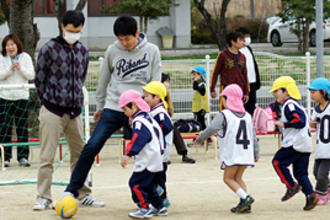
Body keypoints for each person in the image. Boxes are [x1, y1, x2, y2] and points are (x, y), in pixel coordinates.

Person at [64, 16, 162, 200]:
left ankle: (155, 194)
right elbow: (103, 81)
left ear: (137, 34)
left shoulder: (152, 51)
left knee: (152, 150)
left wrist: (150, 110)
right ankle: (72, 190)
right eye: (120, 39)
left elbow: (155, 83)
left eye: (128, 39)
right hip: (114, 107)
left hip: (140, 110)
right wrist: (100, 107)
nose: (124, 43)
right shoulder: (112, 51)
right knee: (92, 146)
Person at [33, 10, 99, 210]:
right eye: (71, 30)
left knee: (80, 154)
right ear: (63, 27)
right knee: (47, 156)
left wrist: (75, 100)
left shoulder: (83, 51)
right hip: (52, 111)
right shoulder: (49, 49)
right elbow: (39, 79)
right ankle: (43, 196)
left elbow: (82, 77)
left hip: (75, 111)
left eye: (78, 31)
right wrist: (49, 100)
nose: (74, 34)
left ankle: (82, 193)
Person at [196, 84, 259, 214]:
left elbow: (212, 128)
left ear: (228, 99)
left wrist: (200, 138)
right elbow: (253, 136)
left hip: (233, 152)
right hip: (246, 152)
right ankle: (245, 204)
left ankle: (245, 198)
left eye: (223, 98)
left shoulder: (225, 115)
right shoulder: (247, 116)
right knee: (238, 178)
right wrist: (256, 152)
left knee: (228, 178)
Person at [270, 76, 319, 211]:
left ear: (286, 91)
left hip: (295, 143)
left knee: (277, 162)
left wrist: (283, 123)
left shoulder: (290, 105)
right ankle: (310, 195)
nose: (275, 94)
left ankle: (291, 186)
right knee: (300, 173)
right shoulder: (297, 104)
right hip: (305, 144)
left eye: (277, 91)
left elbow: (300, 121)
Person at [119, 90, 167, 218]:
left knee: (135, 184)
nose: (125, 113)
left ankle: (143, 207)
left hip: (148, 160)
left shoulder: (139, 121)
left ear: (134, 106)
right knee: (150, 186)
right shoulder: (147, 118)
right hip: (156, 158)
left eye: (125, 109)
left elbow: (138, 138)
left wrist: (128, 154)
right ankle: (159, 207)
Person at [0, 34, 35, 167]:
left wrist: (20, 68)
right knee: (5, 128)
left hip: (22, 97)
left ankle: (23, 157)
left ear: (17, 45)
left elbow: (31, 75)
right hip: (5, 97)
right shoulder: (2, 58)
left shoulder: (25, 57)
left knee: (22, 128)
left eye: (12, 44)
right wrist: (10, 69)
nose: (10, 47)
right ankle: (5, 157)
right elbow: (0, 76)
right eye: (7, 45)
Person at [143, 81, 173, 209]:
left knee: (156, 177)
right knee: (157, 177)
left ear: (157, 97)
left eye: (147, 96)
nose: (145, 99)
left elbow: (167, 127)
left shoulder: (160, 113)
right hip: (157, 153)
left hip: (160, 153)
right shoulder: (153, 111)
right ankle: (162, 198)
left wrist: (153, 136)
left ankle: (159, 198)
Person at [210, 32, 249, 111]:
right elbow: (215, 72)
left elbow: (245, 75)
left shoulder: (243, 57)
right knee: (225, 111)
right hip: (226, 89)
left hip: (239, 90)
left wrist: (246, 93)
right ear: (233, 41)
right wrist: (212, 89)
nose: (242, 42)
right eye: (240, 40)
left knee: (238, 111)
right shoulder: (223, 55)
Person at [161, 73, 195, 163]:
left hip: (164, 122)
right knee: (172, 129)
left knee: (173, 129)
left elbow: (170, 113)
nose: (167, 84)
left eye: (168, 82)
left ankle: (184, 154)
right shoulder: (155, 96)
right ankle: (182, 154)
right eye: (165, 81)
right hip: (154, 122)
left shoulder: (166, 95)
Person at [308, 77, 330, 205]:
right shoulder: (316, 109)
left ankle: (321, 194)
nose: (312, 95)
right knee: (316, 172)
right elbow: (312, 122)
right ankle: (328, 189)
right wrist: (312, 124)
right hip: (321, 147)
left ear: (324, 92)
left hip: (329, 149)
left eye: (314, 92)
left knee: (322, 174)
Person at [236, 27, 261, 116]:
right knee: (242, 108)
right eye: (245, 36)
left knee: (252, 108)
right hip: (242, 86)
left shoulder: (248, 49)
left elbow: (254, 65)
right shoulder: (235, 51)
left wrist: (257, 81)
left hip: (252, 84)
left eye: (248, 36)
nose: (247, 38)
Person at [191, 66, 209, 131]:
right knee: (200, 123)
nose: (193, 76)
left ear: (200, 75)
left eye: (195, 75)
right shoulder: (199, 84)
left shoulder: (202, 84)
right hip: (197, 108)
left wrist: (195, 81)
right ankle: (204, 136)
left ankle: (205, 136)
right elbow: (195, 87)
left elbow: (198, 89)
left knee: (200, 123)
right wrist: (195, 81)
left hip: (201, 108)